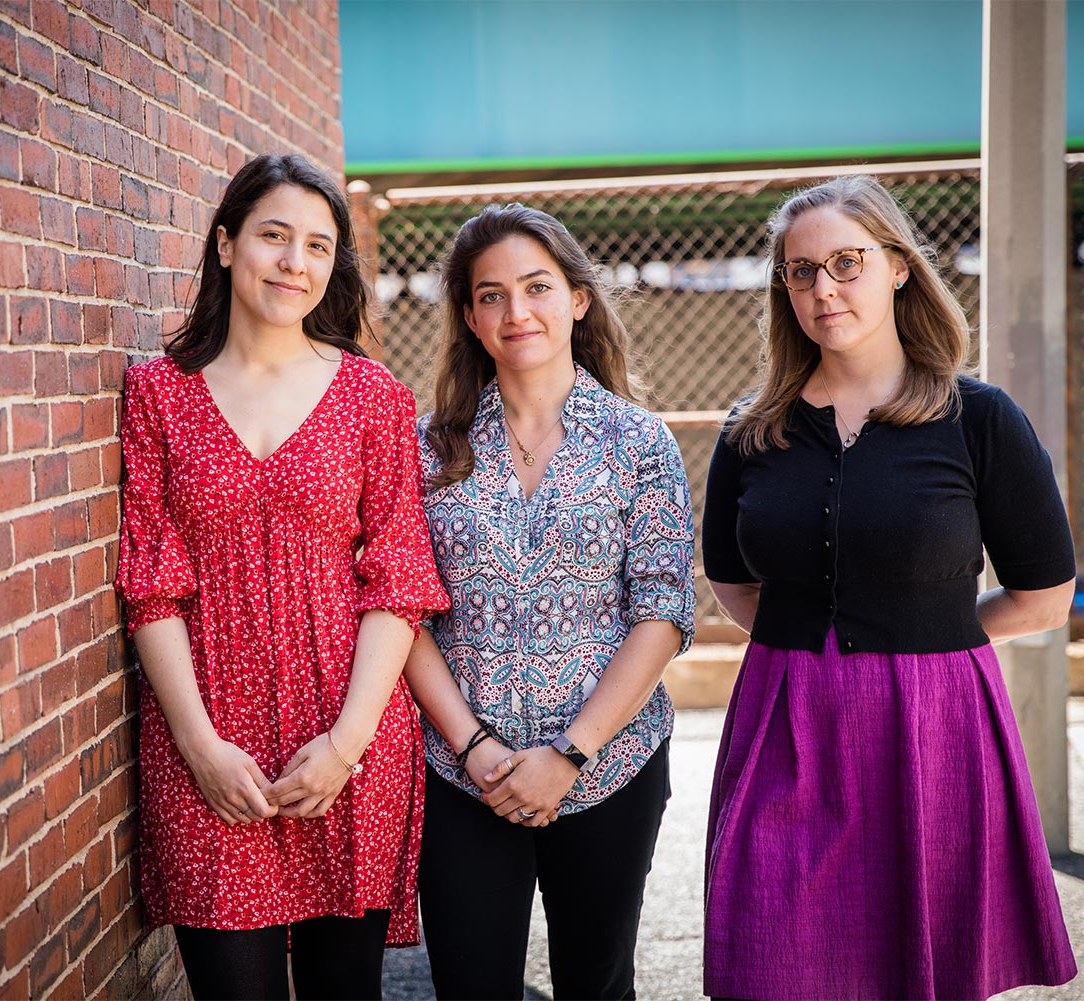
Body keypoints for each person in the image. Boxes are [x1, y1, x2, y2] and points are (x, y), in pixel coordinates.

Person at [700, 174, 1079, 1000]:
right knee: (770, 954)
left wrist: (927, 627)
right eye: (800, 271)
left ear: (898, 266)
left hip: (935, 719)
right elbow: (730, 579)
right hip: (784, 716)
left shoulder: (979, 418)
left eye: (846, 262)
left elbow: (1044, 598)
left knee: (921, 969)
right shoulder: (751, 429)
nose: (823, 288)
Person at [114, 153, 449, 1001]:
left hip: (347, 741)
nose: (294, 262)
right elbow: (150, 580)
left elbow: (398, 580)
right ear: (226, 245)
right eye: (273, 236)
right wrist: (198, 747)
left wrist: (345, 745)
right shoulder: (158, 393)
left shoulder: (374, 397)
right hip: (210, 748)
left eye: (316, 245)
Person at [406, 203, 696, 1000]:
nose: (515, 311)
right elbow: (405, 613)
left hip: (610, 765)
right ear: (469, 315)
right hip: (467, 774)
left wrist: (569, 754)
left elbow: (663, 612)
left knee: (596, 985)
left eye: (536, 286)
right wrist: (477, 749)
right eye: (490, 294)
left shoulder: (639, 441)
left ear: (577, 298)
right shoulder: (430, 447)